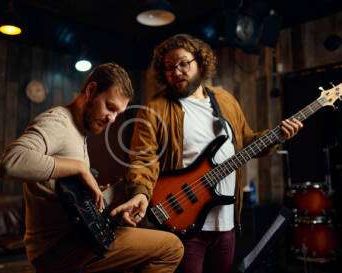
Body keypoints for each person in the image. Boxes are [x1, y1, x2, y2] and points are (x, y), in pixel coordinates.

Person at [122, 34, 303, 273]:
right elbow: (143, 158)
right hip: (184, 221)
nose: (176, 72)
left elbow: (244, 141)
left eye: (183, 63)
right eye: (169, 67)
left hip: (226, 220)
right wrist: (141, 192)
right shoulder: (156, 108)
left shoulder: (225, 99)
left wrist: (277, 136)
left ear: (200, 62)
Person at [0, 63, 184, 273]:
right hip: (58, 249)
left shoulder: (79, 131)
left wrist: (118, 199)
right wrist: (79, 168)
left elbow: (68, 199)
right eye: (110, 107)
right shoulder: (58, 122)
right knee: (172, 248)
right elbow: (11, 163)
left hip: (77, 238)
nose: (112, 119)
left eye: (118, 113)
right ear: (91, 90)